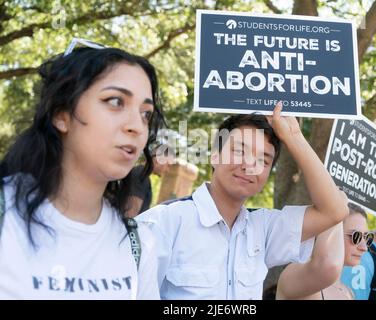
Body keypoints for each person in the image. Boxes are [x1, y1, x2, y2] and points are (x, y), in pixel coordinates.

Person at [0, 39, 164, 299]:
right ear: (61, 114)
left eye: (146, 113)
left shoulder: (139, 243)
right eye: (115, 101)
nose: (136, 125)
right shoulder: (6, 215)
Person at [138, 102, 349, 300]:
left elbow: (334, 211)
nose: (249, 165)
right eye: (239, 151)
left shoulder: (264, 229)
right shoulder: (163, 223)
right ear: (215, 155)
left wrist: (294, 136)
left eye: (263, 160)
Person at [276, 202, 374, 300]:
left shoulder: (348, 292)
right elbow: (327, 264)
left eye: (366, 237)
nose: (364, 247)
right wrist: (334, 208)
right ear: (326, 230)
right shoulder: (293, 276)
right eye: (355, 236)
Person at [126, 143, 175, 217]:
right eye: (168, 165)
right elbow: (130, 214)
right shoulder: (141, 174)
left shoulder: (141, 173)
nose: (167, 170)